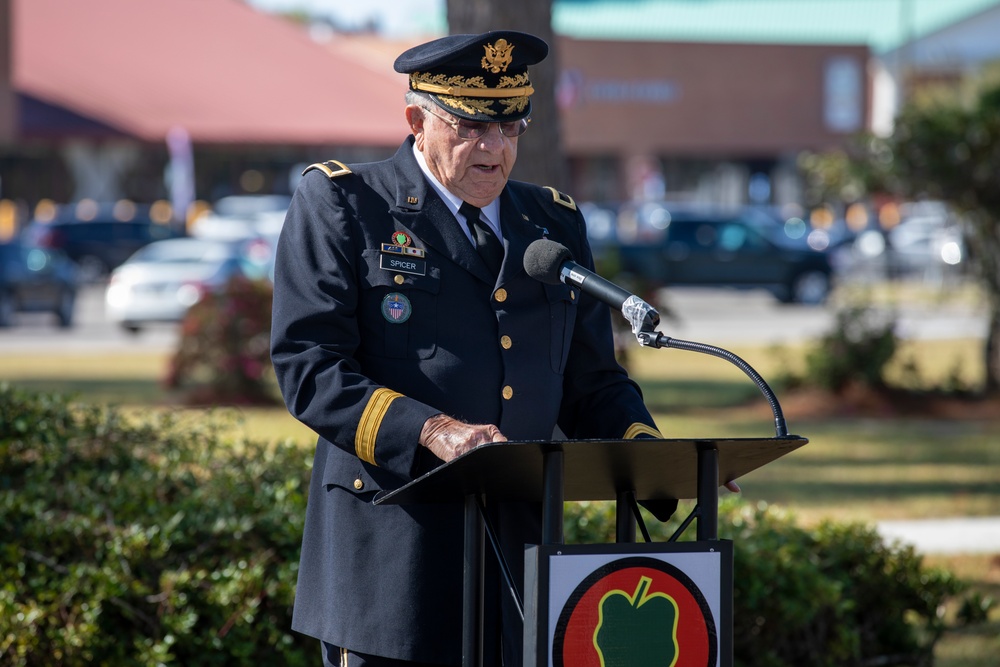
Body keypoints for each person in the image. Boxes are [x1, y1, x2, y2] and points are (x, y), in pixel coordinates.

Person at [270, 30, 671, 667]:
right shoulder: (347, 205)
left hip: (522, 557)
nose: (494, 148)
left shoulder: (552, 222)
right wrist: (428, 428)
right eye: (470, 126)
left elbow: (590, 379)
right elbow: (309, 367)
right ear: (416, 121)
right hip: (396, 554)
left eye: (511, 128)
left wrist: (653, 457)